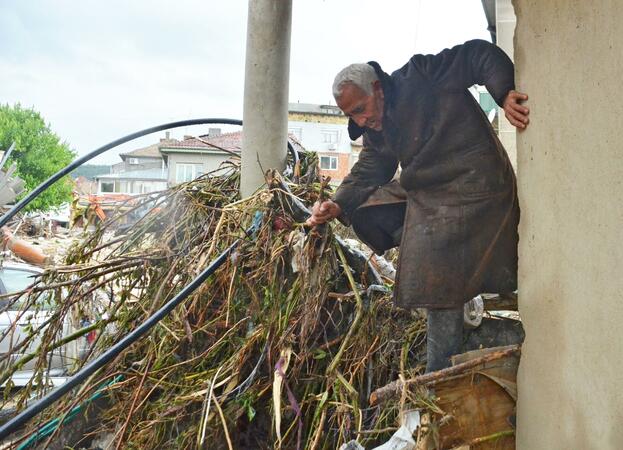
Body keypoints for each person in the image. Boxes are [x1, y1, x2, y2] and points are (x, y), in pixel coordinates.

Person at [306, 39, 530, 372]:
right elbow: (372, 167)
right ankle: (455, 299)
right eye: (351, 115)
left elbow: (476, 55)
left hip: (475, 182)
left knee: (433, 270)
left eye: (360, 109)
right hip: (431, 193)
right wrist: (337, 205)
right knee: (369, 210)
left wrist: (504, 93)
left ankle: (438, 370)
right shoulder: (376, 125)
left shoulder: (421, 75)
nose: (361, 120)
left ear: (378, 89)